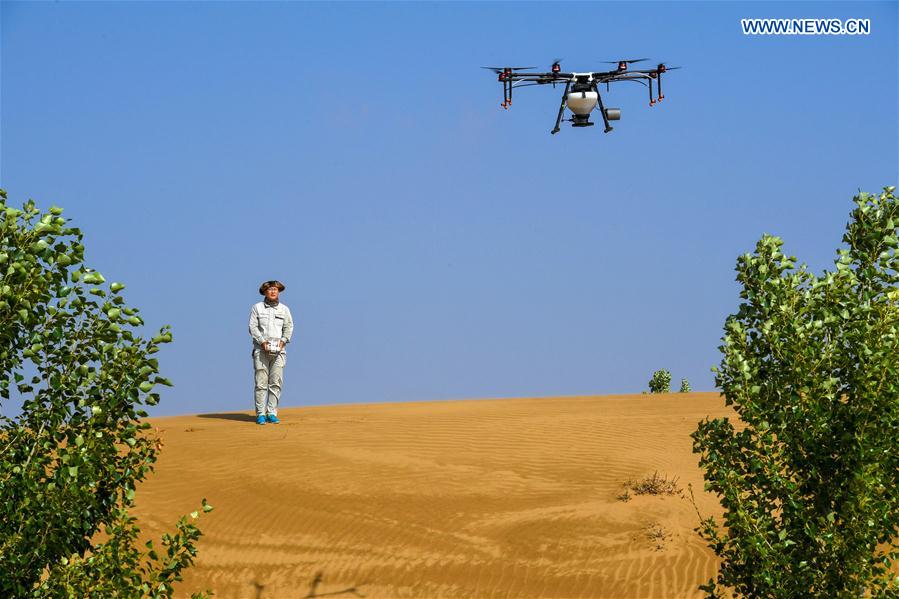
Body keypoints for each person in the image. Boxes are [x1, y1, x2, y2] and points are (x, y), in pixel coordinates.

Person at [248, 280, 294, 425]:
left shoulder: (284, 309)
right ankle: (260, 414)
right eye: (270, 289)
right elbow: (252, 327)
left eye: (275, 289)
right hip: (261, 350)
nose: (273, 291)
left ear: (279, 291)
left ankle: (272, 413)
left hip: (279, 351)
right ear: (265, 292)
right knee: (261, 383)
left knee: (276, 383)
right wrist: (262, 342)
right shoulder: (257, 308)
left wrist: (283, 341)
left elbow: (289, 327)